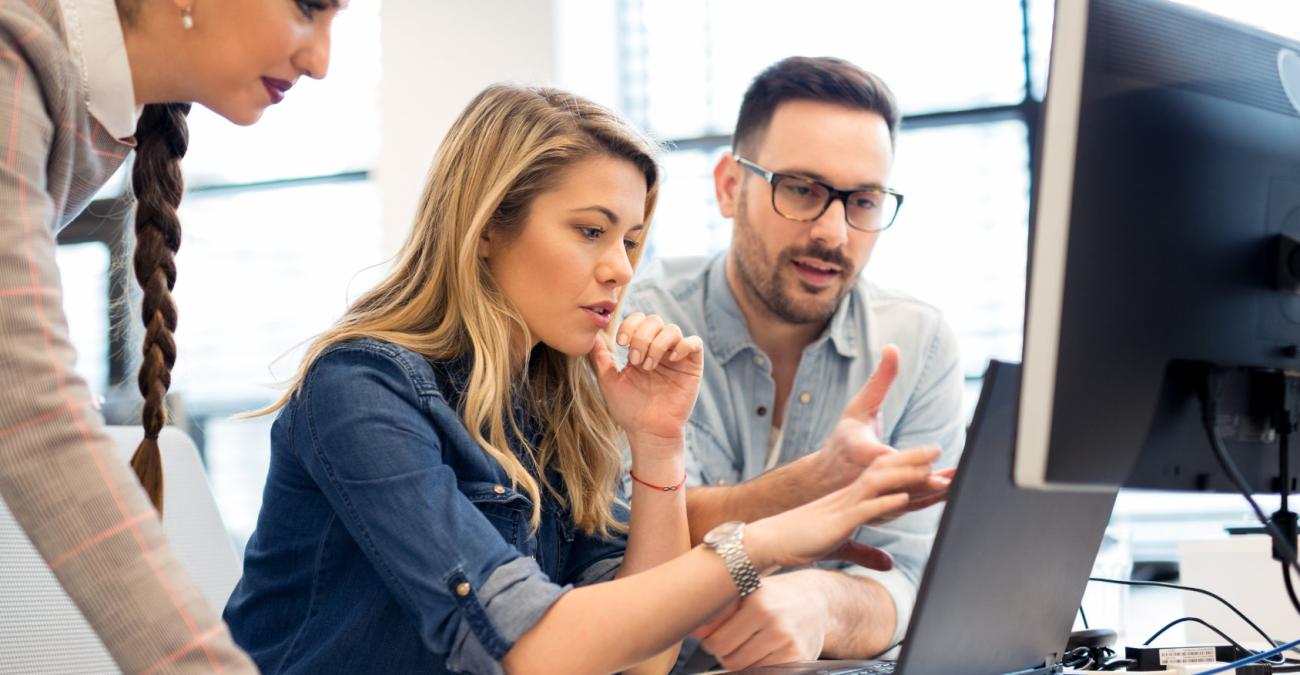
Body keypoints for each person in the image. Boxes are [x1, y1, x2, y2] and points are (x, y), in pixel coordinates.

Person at [223, 83, 942, 675]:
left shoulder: (552, 403)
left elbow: (644, 658)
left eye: (632, 240)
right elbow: (536, 650)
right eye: (592, 231)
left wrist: (657, 446)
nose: (622, 270)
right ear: (486, 230)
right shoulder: (359, 389)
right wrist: (766, 542)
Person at [0, 0, 343, 671]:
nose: (322, 61)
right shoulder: (15, 57)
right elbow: (27, 408)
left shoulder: (95, 104)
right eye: (308, 8)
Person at [618, 56, 965, 671]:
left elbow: (917, 581)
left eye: (863, 201)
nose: (833, 233)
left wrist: (821, 604)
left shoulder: (921, 343)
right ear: (730, 187)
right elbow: (636, 540)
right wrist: (818, 482)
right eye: (801, 189)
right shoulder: (636, 327)